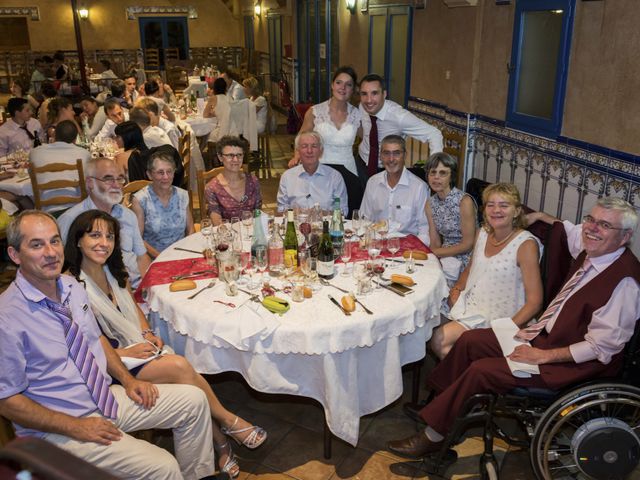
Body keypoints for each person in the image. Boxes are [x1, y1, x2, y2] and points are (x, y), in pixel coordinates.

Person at [389, 197, 640, 460]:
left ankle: (433, 436)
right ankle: (441, 406)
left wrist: (543, 356)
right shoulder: (593, 247)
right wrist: (541, 215)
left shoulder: (624, 283)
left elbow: (601, 347)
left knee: (481, 370)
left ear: (625, 237)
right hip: (544, 337)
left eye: (604, 225)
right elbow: (566, 229)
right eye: (590, 219)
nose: (591, 228)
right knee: (470, 341)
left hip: (568, 364)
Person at [0, 210, 225, 479]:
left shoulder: (71, 286)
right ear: (15, 255)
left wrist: (128, 382)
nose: (50, 252)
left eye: (54, 241)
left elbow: (95, 339)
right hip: (60, 426)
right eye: (36, 245)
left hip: (103, 398)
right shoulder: (7, 317)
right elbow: (7, 401)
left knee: (194, 401)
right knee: (163, 466)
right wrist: (76, 426)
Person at [64, 210, 266, 477]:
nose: (104, 242)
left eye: (109, 236)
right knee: (181, 368)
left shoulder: (111, 270)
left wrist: (146, 332)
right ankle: (228, 423)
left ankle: (222, 441)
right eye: (94, 235)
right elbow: (81, 342)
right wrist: (124, 351)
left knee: (185, 377)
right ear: (77, 240)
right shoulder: (71, 285)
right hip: (110, 367)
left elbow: (133, 306)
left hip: (137, 349)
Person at [429, 182, 543, 359]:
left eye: (504, 205)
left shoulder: (526, 245)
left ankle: (469, 381)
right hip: (474, 305)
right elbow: (471, 267)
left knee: (439, 340)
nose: (496, 210)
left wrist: (504, 330)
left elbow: (535, 302)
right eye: (491, 205)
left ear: (517, 211)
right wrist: (457, 289)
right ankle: (466, 376)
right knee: (427, 326)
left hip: (501, 317)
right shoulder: (483, 232)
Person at [58, 157, 151, 288]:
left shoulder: (128, 215)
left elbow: (141, 257)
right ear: (90, 183)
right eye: (108, 179)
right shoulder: (71, 219)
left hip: (136, 287)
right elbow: (61, 269)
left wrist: (147, 287)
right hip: (97, 293)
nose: (117, 184)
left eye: (120, 178)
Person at [358, 73, 443, 177]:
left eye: (374, 93)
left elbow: (434, 133)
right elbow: (366, 132)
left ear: (384, 94)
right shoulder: (362, 107)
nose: (369, 100)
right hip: (361, 163)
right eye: (364, 94)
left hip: (387, 170)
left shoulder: (399, 117)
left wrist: (435, 167)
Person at [289, 67, 362, 179]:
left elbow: (368, 140)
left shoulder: (358, 115)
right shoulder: (315, 112)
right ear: (332, 85)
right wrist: (297, 156)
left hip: (348, 171)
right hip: (320, 169)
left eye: (348, 85)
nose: (343, 88)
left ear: (352, 90)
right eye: (339, 83)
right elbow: (300, 137)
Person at [359, 135, 430, 245]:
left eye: (396, 153)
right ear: (381, 156)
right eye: (386, 153)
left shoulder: (419, 187)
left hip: (407, 248)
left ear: (405, 155)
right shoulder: (373, 183)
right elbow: (364, 220)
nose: (391, 159)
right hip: (377, 246)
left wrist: (414, 250)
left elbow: (424, 230)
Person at [424, 152, 477, 284]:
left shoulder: (464, 201)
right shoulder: (430, 203)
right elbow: (435, 240)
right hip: (443, 253)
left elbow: (468, 244)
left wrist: (436, 253)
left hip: (467, 257)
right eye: (433, 172)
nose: (436, 177)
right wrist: (433, 256)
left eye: (443, 173)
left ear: (451, 176)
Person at [131, 153, 194, 257]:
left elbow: (190, 228)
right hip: (154, 257)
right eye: (160, 172)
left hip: (182, 254)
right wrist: (161, 257)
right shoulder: (141, 200)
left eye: (169, 172)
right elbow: (138, 238)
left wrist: (185, 252)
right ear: (149, 175)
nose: (166, 177)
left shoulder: (182, 195)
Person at [278, 131, 348, 215]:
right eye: (304, 146)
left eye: (314, 146)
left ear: (321, 151)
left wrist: (320, 214)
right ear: (298, 151)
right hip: (296, 225)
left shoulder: (335, 177)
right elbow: (281, 209)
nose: (309, 150)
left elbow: (343, 211)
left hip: (326, 226)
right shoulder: (287, 177)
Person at [29, 120, 91, 213]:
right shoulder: (84, 153)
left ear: (54, 135)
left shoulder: (35, 152)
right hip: (77, 208)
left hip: (45, 210)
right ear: (75, 139)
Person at [204, 136, 262, 225]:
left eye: (239, 155)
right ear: (220, 157)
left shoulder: (253, 181)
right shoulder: (212, 188)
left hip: (251, 233)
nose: (235, 160)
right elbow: (217, 223)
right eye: (230, 155)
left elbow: (258, 214)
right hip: (226, 235)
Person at [204, 77, 231, 144]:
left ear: (214, 88)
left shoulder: (213, 98)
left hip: (222, 132)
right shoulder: (230, 98)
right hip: (233, 131)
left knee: (206, 133)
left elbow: (205, 115)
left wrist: (213, 113)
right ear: (225, 88)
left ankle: (203, 153)